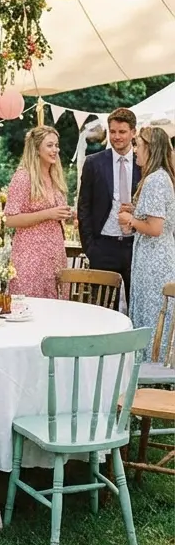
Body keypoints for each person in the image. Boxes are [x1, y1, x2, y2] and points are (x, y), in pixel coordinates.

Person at [118, 126, 175, 359]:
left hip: (155, 262)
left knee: (151, 316)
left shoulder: (155, 180)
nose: (134, 151)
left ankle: (152, 368)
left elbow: (155, 228)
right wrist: (136, 212)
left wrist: (130, 220)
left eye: (138, 145)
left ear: (150, 149)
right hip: (153, 258)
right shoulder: (160, 178)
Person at [78, 108, 140, 302]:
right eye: (112, 132)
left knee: (136, 306)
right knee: (102, 308)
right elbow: (84, 207)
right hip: (102, 246)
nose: (116, 137)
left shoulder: (144, 164)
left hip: (135, 246)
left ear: (133, 132)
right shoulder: (93, 163)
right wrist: (91, 248)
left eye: (122, 132)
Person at [4, 126, 70, 299]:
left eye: (56, 145)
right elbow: (10, 219)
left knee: (56, 308)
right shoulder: (23, 177)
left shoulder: (54, 176)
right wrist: (48, 214)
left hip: (54, 253)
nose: (55, 150)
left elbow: (56, 213)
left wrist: (68, 214)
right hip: (30, 255)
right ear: (36, 149)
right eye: (50, 145)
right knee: (29, 305)